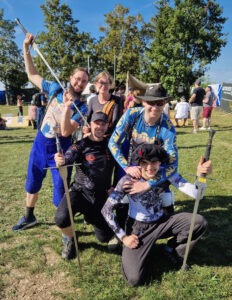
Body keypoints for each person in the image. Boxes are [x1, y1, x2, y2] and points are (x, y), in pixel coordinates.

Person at [102, 143, 211, 286]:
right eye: (144, 163)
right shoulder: (128, 180)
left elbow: (197, 194)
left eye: (154, 162)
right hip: (138, 228)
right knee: (134, 280)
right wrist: (124, 238)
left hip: (162, 221)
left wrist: (201, 176)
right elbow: (106, 210)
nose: (149, 168)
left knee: (199, 222)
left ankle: (172, 250)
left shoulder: (166, 174)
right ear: (139, 163)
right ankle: (142, 251)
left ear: (160, 162)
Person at [12, 32, 89, 231]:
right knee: (32, 181)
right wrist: (26, 48)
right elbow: (32, 74)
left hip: (61, 150)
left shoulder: (82, 108)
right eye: (77, 79)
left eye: (83, 82)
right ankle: (29, 216)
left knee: (60, 192)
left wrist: (67, 106)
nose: (79, 83)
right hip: (40, 142)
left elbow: (65, 132)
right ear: (71, 78)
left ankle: (66, 229)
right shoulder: (55, 88)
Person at [54, 112, 126, 259]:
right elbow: (67, 158)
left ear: (107, 126)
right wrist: (60, 160)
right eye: (96, 123)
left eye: (103, 124)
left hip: (100, 197)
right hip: (79, 192)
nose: (100, 127)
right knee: (61, 218)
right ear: (90, 125)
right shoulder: (80, 145)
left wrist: (113, 186)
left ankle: (96, 221)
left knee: (103, 237)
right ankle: (71, 239)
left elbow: (120, 169)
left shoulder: (111, 146)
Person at [108, 84, 177, 212]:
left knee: (165, 206)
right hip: (131, 166)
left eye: (160, 103)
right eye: (151, 102)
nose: (155, 107)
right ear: (144, 101)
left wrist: (148, 184)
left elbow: (173, 165)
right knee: (124, 205)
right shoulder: (131, 115)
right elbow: (113, 143)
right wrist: (126, 167)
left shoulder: (167, 127)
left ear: (165, 103)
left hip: (154, 168)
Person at [83, 71, 122, 138]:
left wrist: (99, 133)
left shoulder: (117, 101)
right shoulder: (92, 100)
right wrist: (85, 128)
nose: (103, 86)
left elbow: (116, 124)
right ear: (96, 84)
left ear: (110, 85)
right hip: (93, 137)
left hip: (110, 138)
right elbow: (87, 120)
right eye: (101, 82)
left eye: (106, 83)